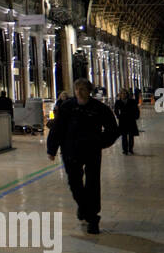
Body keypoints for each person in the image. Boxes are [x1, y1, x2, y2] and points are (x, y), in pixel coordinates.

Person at [47, 78, 119, 234]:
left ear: (89, 91)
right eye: (76, 89)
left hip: (91, 151)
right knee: (74, 182)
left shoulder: (99, 108)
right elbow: (57, 128)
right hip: (71, 150)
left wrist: (100, 142)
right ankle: (84, 206)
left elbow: (112, 130)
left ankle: (93, 218)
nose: (79, 92)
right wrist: (51, 149)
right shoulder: (67, 107)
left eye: (82, 89)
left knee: (92, 183)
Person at [113, 88, 140, 155]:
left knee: (131, 136)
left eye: (124, 93)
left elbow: (136, 109)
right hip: (123, 120)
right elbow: (115, 110)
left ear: (127, 94)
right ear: (120, 95)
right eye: (122, 93)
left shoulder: (132, 101)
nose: (123, 95)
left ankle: (130, 149)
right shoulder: (118, 102)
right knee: (124, 136)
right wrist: (118, 116)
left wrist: (136, 116)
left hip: (131, 119)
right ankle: (125, 150)